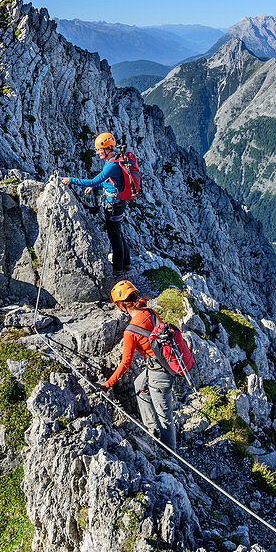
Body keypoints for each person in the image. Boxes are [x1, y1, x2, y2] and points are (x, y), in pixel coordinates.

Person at [101, 280, 177, 448]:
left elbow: (125, 363)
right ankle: (152, 429)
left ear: (122, 305)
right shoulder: (149, 312)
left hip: (159, 373)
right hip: (165, 363)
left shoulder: (130, 332)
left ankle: (171, 455)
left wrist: (108, 384)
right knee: (139, 384)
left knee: (165, 416)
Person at [60, 132, 131, 274]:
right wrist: (94, 188)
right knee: (117, 232)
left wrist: (71, 180)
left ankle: (118, 268)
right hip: (117, 202)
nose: (97, 153)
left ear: (107, 149)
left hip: (114, 205)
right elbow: (109, 183)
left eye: (99, 149)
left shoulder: (112, 165)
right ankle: (126, 263)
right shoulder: (114, 160)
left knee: (114, 235)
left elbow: (94, 180)